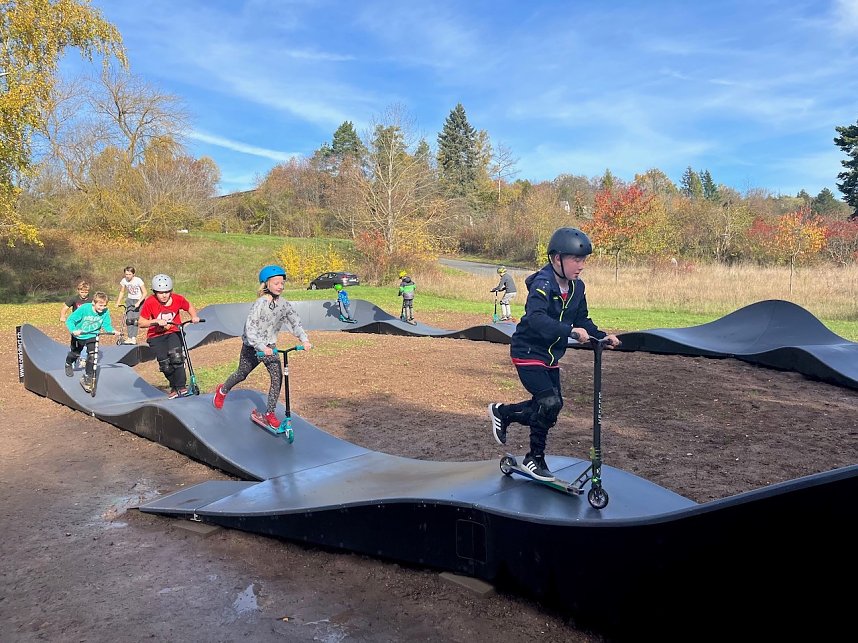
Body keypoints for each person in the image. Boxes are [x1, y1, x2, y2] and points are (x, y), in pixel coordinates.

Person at [487, 227, 621, 482]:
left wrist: (602, 336)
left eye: (583, 260)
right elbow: (537, 319)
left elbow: (583, 320)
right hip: (527, 351)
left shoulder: (577, 288)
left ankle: (509, 421)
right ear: (556, 258)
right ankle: (531, 455)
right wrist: (570, 331)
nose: (580, 266)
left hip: (550, 357)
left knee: (551, 409)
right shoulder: (542, 284)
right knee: (549, 402)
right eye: (575, 259)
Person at [213, 265, 313, 430]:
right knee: (241, 374)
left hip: (270, 347)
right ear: (266, 284)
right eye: (276, 283)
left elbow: (294, 321)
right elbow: (250, 328)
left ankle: (270, 413)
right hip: (252, 347)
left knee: (277, 377)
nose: (280, 286)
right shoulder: (260, 303)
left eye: (282, 283)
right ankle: (222, 391)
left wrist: (304, 339)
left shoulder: (283, 304)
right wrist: (260, 346)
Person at [138, 274, 201, 399]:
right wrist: (155, 321)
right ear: (155, 292)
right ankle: (174, 386)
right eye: (160, 293)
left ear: (171, 291)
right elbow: (141, 322)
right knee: (165, 364)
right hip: (155, 335)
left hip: (174, 331)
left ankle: (181, 387)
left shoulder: (178, 299)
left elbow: (189, 307)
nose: (164, 295)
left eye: (167, 292)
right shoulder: (150, 302)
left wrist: (194, 316)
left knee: (176, 357)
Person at [64, 291, 118, 393]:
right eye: (100, 305)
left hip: (93, 335)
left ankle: (87, 377)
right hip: (79, 335)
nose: (102, 308)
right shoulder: (85, 308)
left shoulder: (105, 312)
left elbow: (106, 325)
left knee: (92, 356)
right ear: (94, 303)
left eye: (104, 305)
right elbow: (70, 320)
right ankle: (68, 363)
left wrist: (113, 331)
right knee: (75, 353)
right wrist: (73, 330)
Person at [60, 279, 93, 368]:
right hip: (76, 324)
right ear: (78, 291)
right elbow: (64, 308)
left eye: (86, 292)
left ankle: (83, 358)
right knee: (75, 343)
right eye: (82, 292)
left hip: (87, 323)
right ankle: (72, 360)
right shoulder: (74, 299)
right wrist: (62, 316)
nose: (84, 294)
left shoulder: (91, 299)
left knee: (85, 341)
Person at [115, 266, 148, 344]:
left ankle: (134, 338)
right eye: (126, 274)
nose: (128, 276)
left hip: (138, 300)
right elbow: (122, 292)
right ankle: (129, 337)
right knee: (129, 320)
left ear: (133, 274)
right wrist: (118, 302)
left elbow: (145, 292)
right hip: (130, 300)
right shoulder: (124, 281)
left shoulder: (138, 280)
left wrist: (139, 302)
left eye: (129, 274)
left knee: (135, 320)